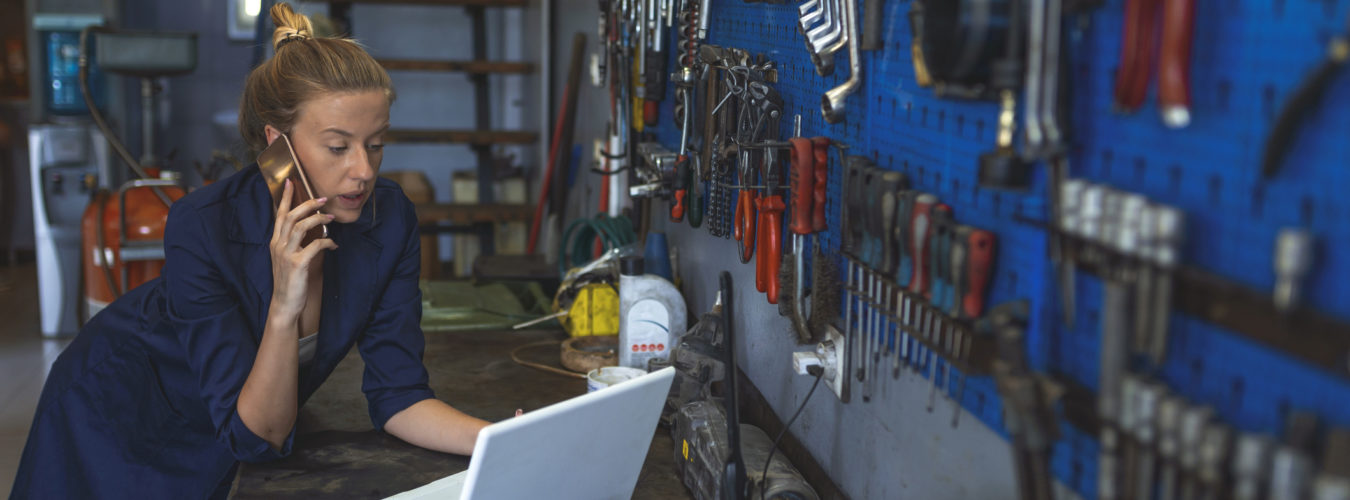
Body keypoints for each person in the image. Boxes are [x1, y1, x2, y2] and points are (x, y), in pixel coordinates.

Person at [10, 4, 491, 498]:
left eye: (375, 144)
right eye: (337, 146)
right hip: (117, 410)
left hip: (239, 428)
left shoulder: (387, 220)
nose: (364, 170)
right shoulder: (203, 224)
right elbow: (258, 436)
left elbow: (399, 397)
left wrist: (497, 439)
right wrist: (285, 304)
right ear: (277, 146)